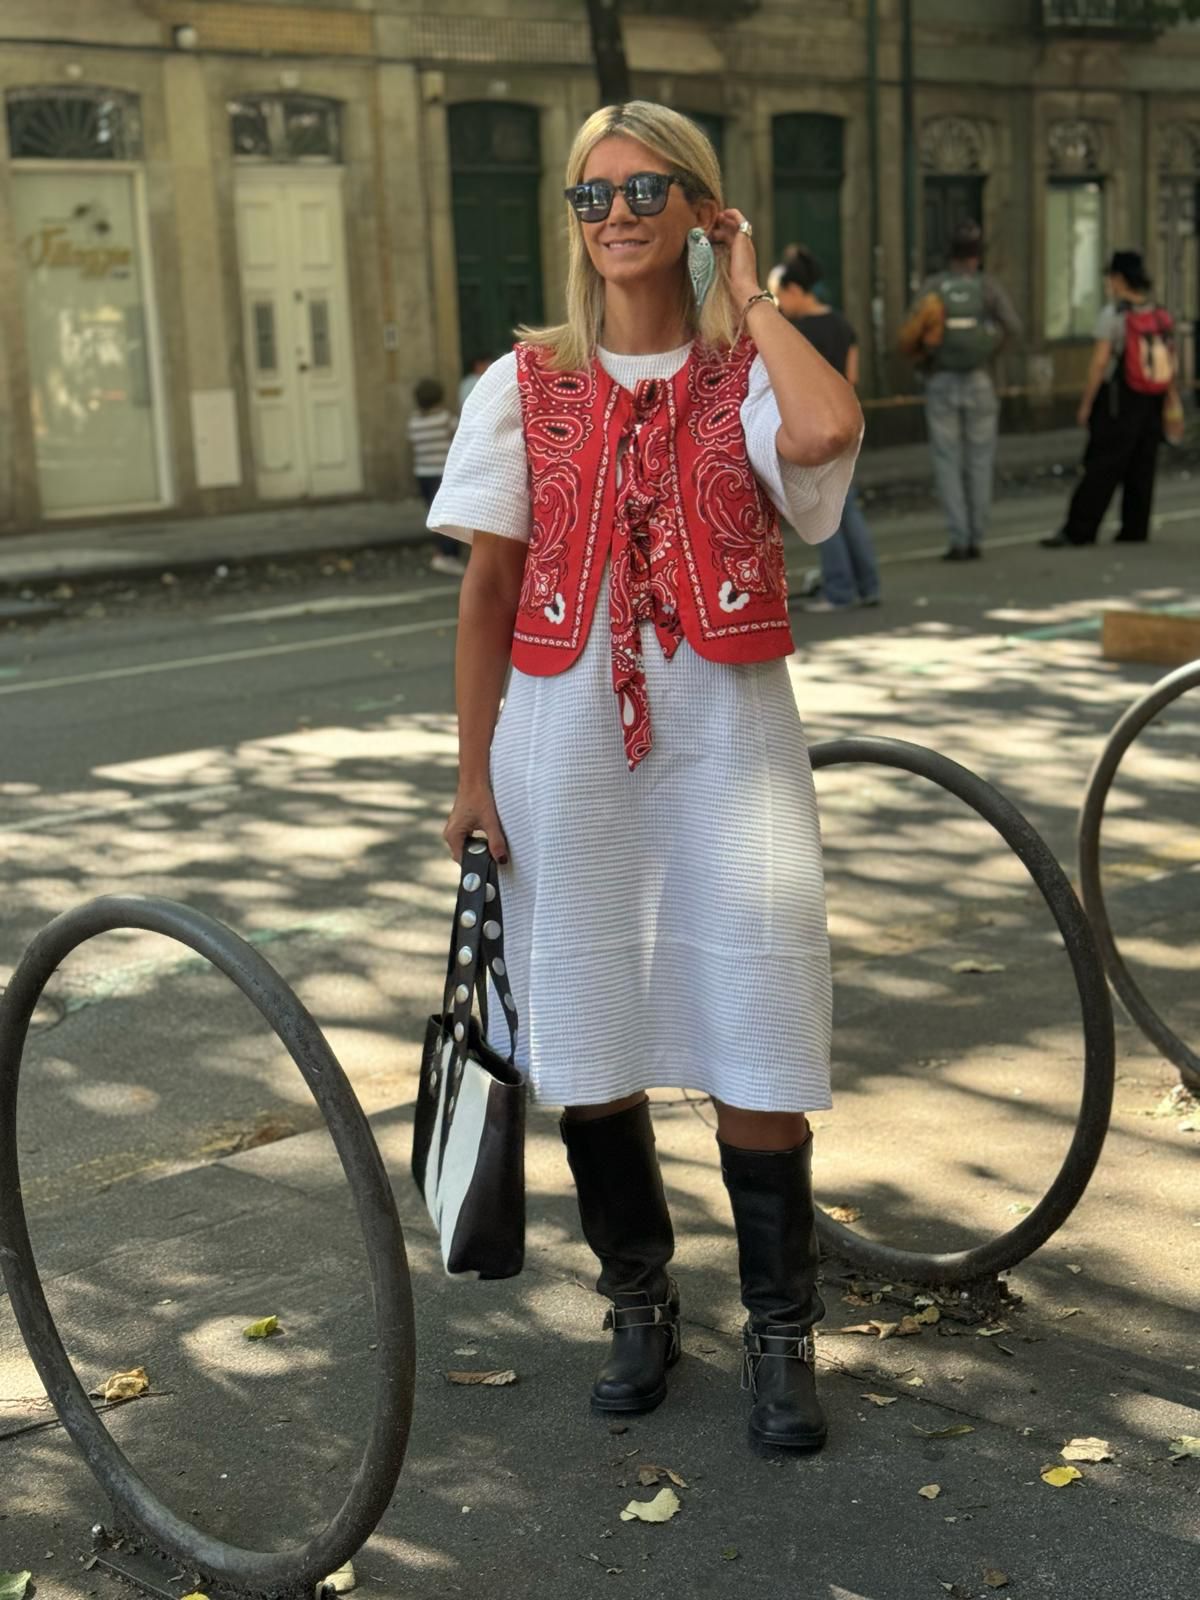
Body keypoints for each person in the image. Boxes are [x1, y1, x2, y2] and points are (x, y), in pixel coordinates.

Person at [429, 101, 861, 1453]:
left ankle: (782, 1333)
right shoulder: (523, 383)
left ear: (699, 208)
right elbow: (489, 589)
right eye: (591, 195)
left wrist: (750, 292)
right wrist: (472, 772)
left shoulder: (749, 374)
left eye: (644, 190)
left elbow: (827, 432)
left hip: (730, 748)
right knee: (590, 1028)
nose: (614, 215)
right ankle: (638, 1303)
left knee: (760, 1020)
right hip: (561, 749)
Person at [1041, 250, 1174, 549]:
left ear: (1119, 279)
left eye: (1111, 278)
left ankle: (1079, 529)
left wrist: (1087, 403)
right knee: (1142, 463)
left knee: (1102, 463)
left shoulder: (1115, 315)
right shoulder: (1158, 313)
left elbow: (1100, 363)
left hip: (1119, 399)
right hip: (1152, 399)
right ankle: (1135, 527)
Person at [904, 222, 1022, 561]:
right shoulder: (987, 287)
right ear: (977, 257)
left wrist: (926, 360)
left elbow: (910, 332)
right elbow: (1014, 327)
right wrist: (990, 351)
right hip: (980, 380)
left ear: (950, 255)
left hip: (940, 380)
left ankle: (958, 539)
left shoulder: (934, 287)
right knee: (980, 460)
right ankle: (976, 537)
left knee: (947, 461)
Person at [774, 247, 880, 611]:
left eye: (781, 295)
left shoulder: (793, 332)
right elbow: (852, 377)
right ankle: (868, 584)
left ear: (795, 290)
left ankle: (838, 589)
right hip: (846, 424)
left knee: (821, 511)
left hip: (811, 428)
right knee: (847, 507)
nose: (779, 303)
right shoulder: (842, 325)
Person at [408, 378, 463, 577]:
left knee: (435, 513)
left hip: (423, 473)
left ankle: (441, 552)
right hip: (443, 473)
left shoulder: (414, 422)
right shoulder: (445, 419)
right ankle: (447, 555)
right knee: (450, 515)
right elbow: (461, 435)